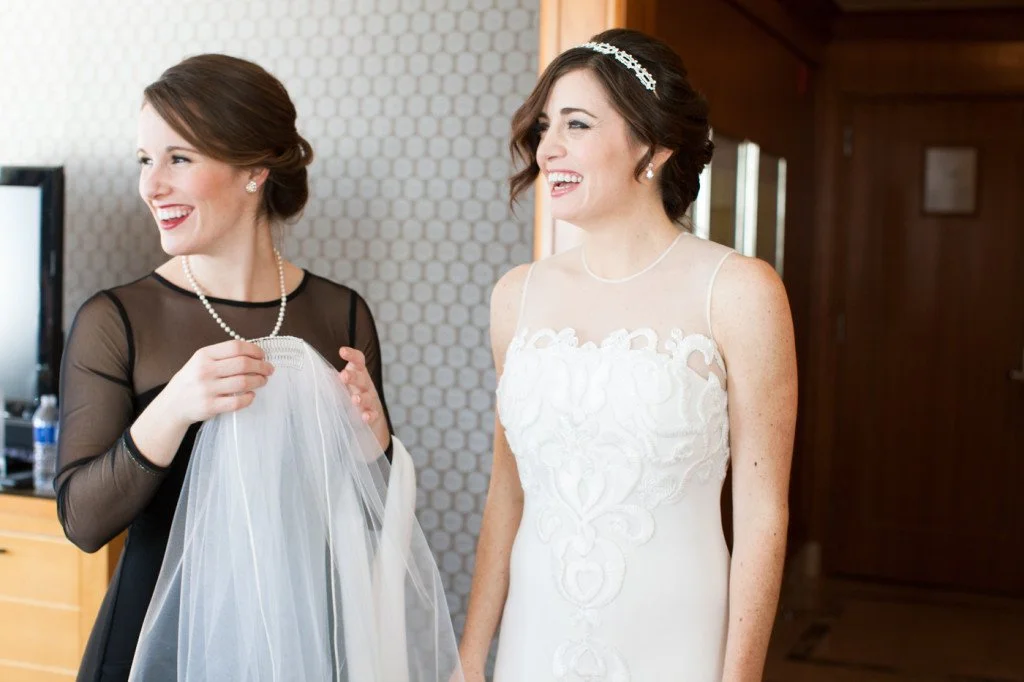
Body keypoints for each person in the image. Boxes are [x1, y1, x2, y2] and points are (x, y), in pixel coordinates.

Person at [459, 29, 797, 681]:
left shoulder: (738, 291)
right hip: (536, 643)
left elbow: (762, 514)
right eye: (544, 126)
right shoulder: (517, 297)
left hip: (677, 646)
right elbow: (508, 493)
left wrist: (741, 676)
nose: (547, 147)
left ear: (653, 144)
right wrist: (472, 654)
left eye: (576, 124)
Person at [55, 54, 394, 682]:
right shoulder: (117, 320)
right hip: (155, 650)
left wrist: (377, 446)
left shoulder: (342, 314)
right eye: (144, 160)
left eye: (178, 159)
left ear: (254, 171)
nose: (150, 186)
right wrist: (174, 406)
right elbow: (82, 521)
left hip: (305, 644)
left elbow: (375, 524)